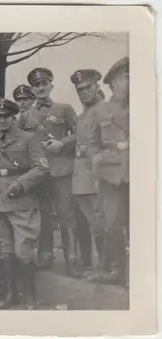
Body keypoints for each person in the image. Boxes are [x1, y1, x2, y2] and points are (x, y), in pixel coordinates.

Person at [0, 99, 49, 310]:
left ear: (13, 117)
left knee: (24, 249)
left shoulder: (29, 138)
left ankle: (30, 296)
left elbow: (41, 168)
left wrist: (21, 184)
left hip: (21, 199)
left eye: (5, 116)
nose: (1, 120)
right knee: (5, 249)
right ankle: (11, 294)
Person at [27, 67, 80, 277]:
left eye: (44, 84)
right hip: (39, 173)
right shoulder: (25, 115)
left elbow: (80, 132)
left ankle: (72, 260)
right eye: (36, 85)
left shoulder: (64, 108)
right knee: (44, 216)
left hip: (61, 171)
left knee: (67, 216)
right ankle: (46, 256)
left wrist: (63, 142)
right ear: (32, 89)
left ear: (51, 86)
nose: (40, 88)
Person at [89, 57, 129, 287]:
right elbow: (92, 141)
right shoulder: (101, 110)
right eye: (125, 77)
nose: (130, 81)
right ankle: (117, 270)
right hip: (111, 174)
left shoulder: (146, 105)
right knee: (113, 224)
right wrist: (97, 159)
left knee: (141, 223)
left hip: (139, 173)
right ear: (113, 82)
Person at [70, 69, 107, 275]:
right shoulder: (83, 114)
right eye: (80, 89)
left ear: (97, 87)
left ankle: (106, 267)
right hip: (80, 177)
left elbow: (111, 144)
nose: (84, 92)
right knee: (90, 222)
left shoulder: (105, 110)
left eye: (88, 87)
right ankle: (97, 264)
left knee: (100, 222)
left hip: (96, 175)